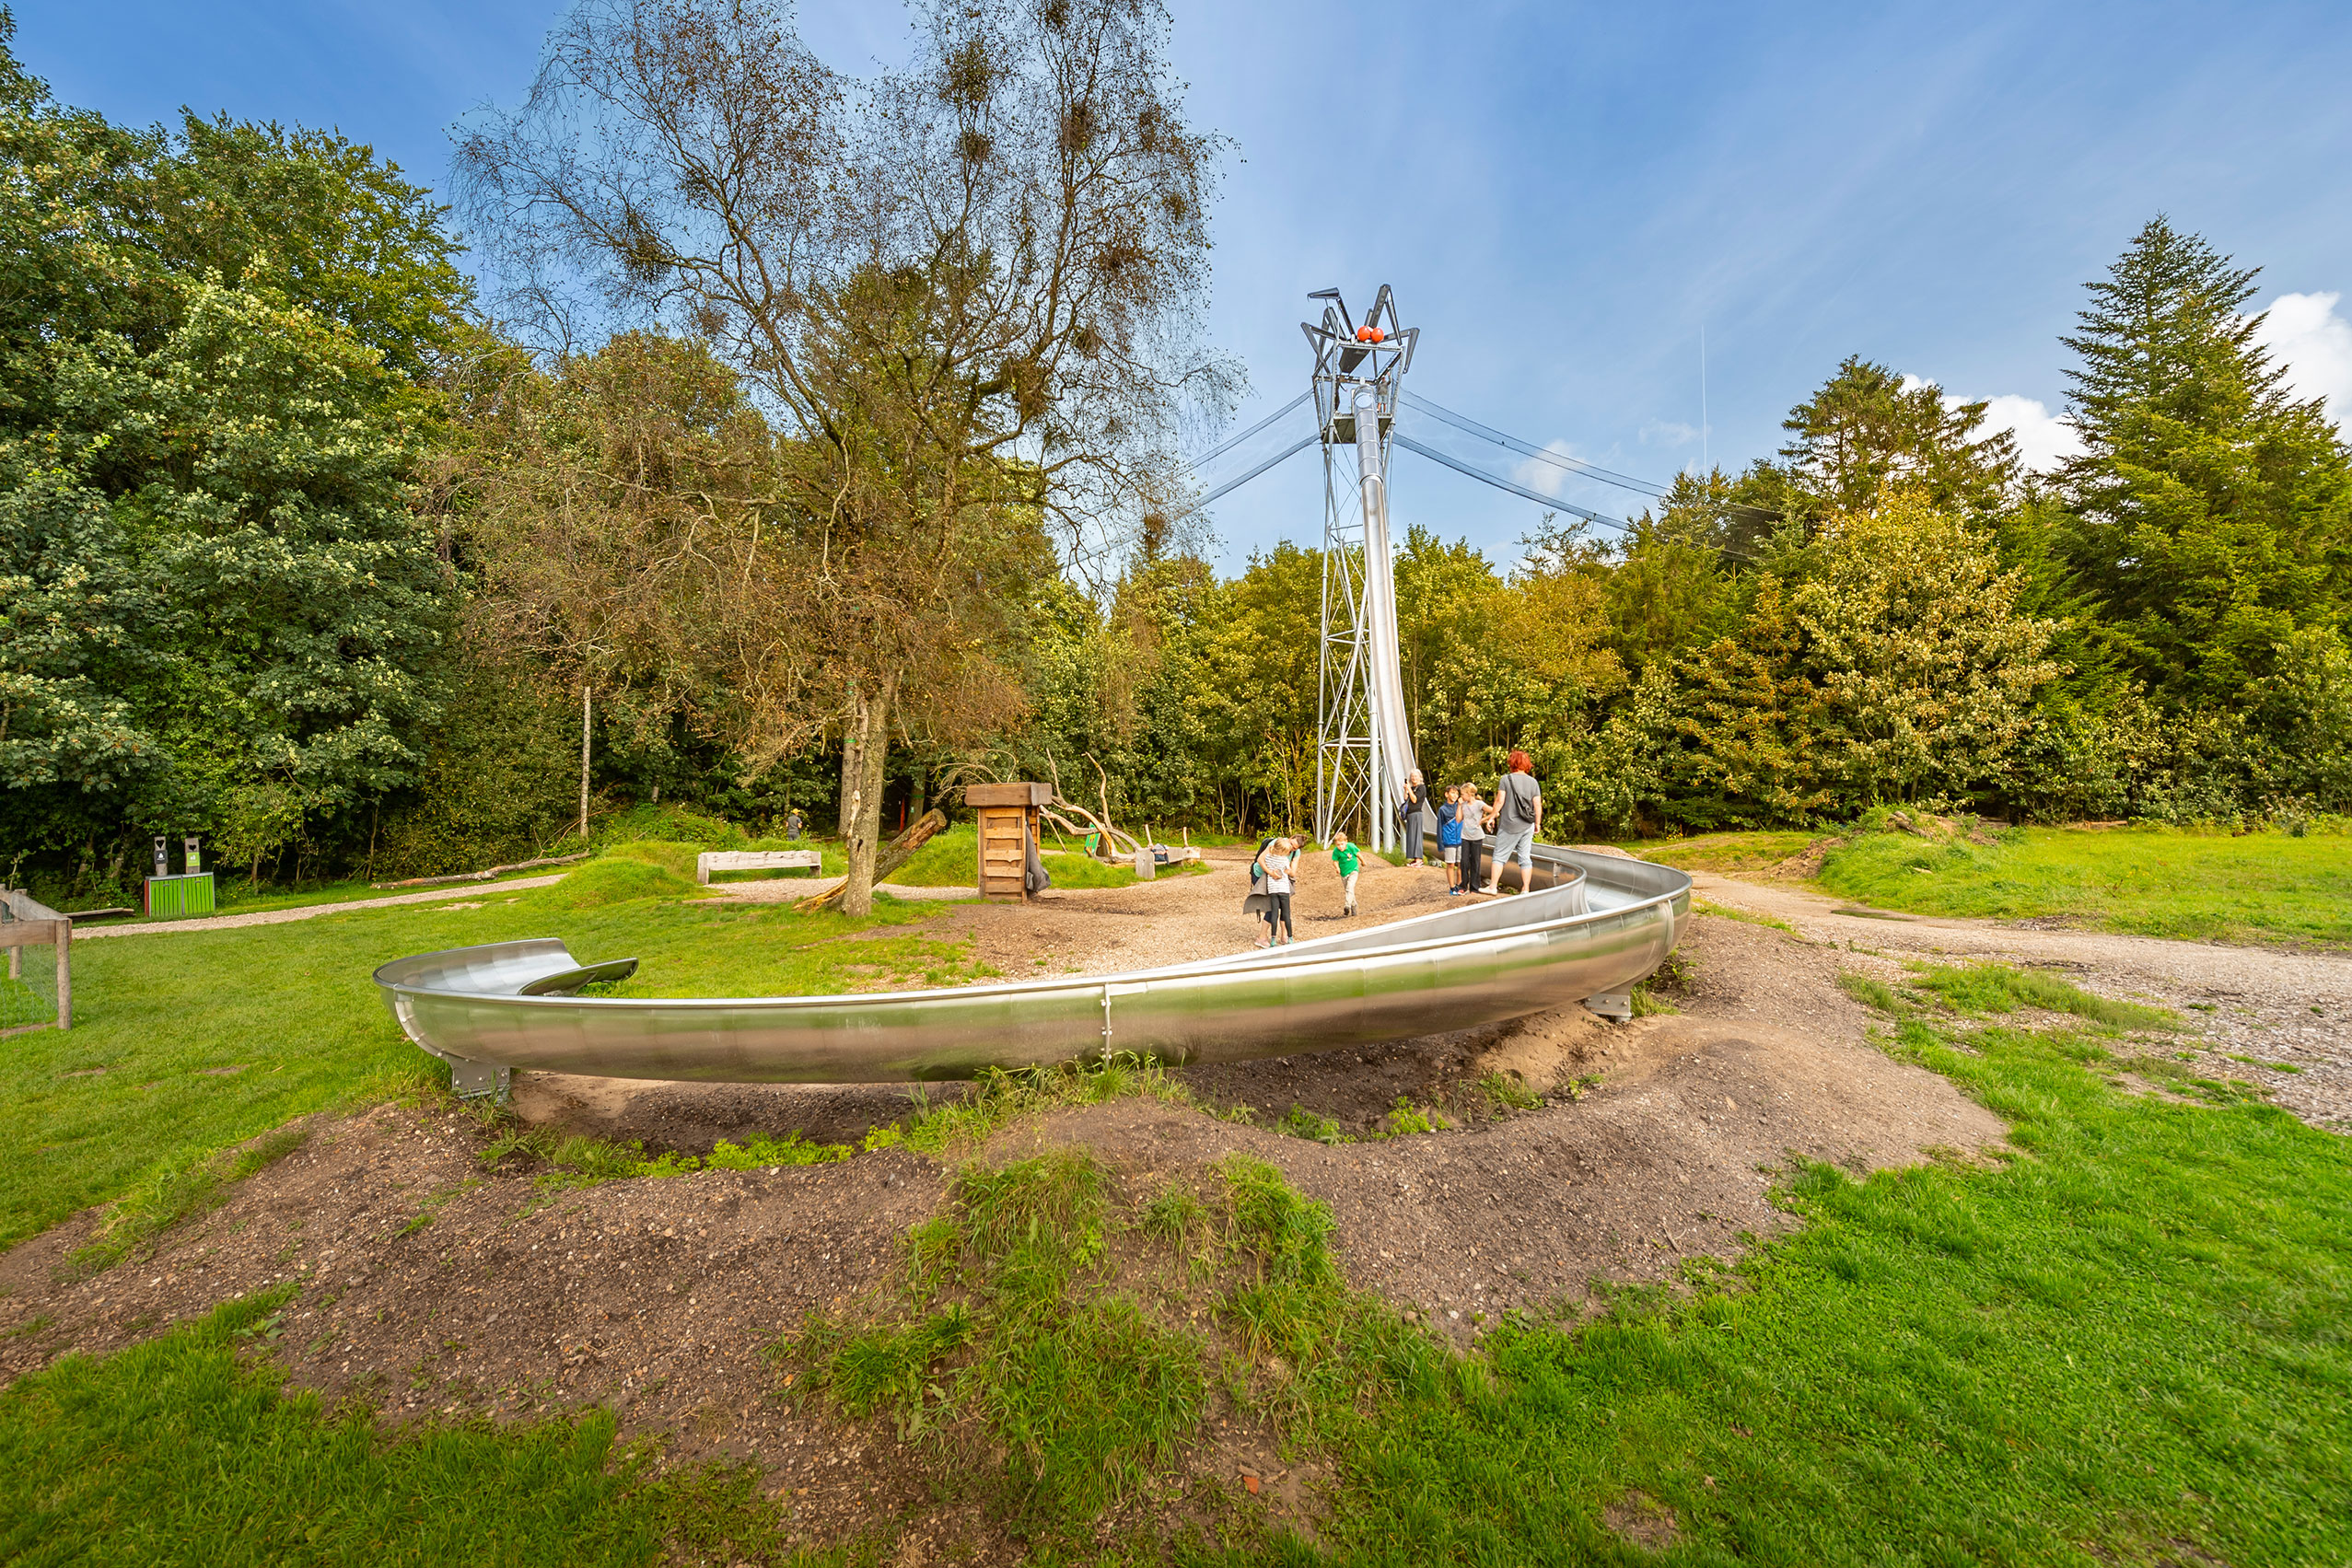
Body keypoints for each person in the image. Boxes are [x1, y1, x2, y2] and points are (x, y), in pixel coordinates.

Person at [1485, 749, 1543, 894]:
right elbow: (1537, 804)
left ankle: (1492, 887)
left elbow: (1500, 801)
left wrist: (1492, 816)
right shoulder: (1533, 782)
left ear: (1512, 763)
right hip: (1527, 825)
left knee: (1499, 856)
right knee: (1525, 857)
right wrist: (1537, 823)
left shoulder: (1506, 779)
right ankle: (1526, 889)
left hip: (1509, 824)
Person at [1252, 836, 1298, 947]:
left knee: (1280, 909)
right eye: (1291, 845)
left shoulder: (1292, 852)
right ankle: (1262, 937)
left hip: (1277, 887)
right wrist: (1271, 873)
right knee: (1272, 909)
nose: (1292, 849)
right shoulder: (1277, 844)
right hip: (1260, 875)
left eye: (1295, 848)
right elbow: (1260, 860)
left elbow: (1292, 872)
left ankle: (1283, 936)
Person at [1456, 782, 1487, 895]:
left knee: (1475, 862)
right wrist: (1459, 806)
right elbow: (1458, 819)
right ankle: (1463, 886)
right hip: (1465, 836)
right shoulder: (1463, 805)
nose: (1461, 796)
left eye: (1463, 794)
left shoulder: (1479, 804)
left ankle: (1474, 887)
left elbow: (1495, 812)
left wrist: (1483, 820)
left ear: (1469, 794)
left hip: (1477, 837)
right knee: (1464, 861)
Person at [1398, 769, 1428, 865]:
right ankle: (1414, 858)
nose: (1414, 778)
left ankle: (1419, 858)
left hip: (1416, 814)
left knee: (1417, 836)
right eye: (1412, 776)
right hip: (1410, 814)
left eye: (1416, 776)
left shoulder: (1421, 788)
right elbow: (1406, 798)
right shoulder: (1412, 788)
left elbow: (1414, 800)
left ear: (1420, 777)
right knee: (1411, 836)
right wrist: (1406, 790)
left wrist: (1409, 790)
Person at [1437, 784, 1464, 894]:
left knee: (1461, 863)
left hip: (1461, 839)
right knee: (1451, 864)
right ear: (1446, 794)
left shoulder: (1461, 806)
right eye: (1452, 793)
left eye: (1457, 793)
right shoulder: (1442, 809)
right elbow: (1439, 827)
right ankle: (1452, 887)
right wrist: (1440, 844)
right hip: (1449, 840)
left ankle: (1459, 885)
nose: (1455, 795)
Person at [1331, 830, 1361, 916]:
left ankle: (1347, 906)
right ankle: (1354, 906)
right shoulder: (1336, 851)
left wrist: (1363, 862)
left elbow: (1358, 854)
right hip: (1344, 873)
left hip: (1353, 870)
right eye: (1338, 845)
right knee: (1349, 890)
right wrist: (1337, 868)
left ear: (1346, 842)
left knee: (1350, 887)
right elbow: (1335, 861)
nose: (1340, 847)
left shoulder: (1351, 847)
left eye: (1342, 844)